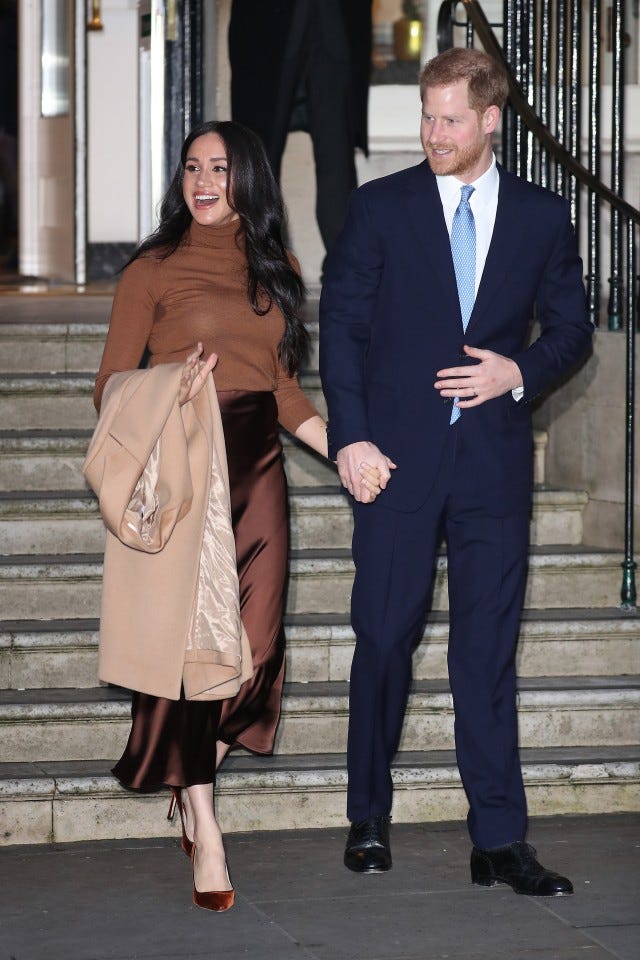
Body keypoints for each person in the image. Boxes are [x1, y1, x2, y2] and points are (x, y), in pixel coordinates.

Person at [319, 48, 593, 895]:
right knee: (385, 639)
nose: (432, 134)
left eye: (449, 120)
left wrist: (517, 371)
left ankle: (499, 841)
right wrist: (350, 440)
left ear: (490, 121)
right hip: (395, 464)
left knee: (485, 654)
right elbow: (341, 331)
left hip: (492, 470)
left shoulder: (545, 218)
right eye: (426, 117)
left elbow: (573, 332)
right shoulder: (379, 209)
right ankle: (368, 814)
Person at [92, 120, 383, 912]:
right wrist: (169, 385)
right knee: (187, 651)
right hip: (183, 464)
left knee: (254, 646)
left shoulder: (277, 271)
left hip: (256, 467)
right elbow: (110, 384)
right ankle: (205, 822)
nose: (203, 180)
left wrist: (344, 451)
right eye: (192, 167)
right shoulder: (150, 271)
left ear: (248, 179)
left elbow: (285, 392)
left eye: (219, 167)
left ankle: (189, 775)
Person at [229, 0, 372, 262]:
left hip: (336, 21)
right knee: (260, 155)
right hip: (264, 26)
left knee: (336, 157)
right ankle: (262, 266)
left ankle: (347, 271)